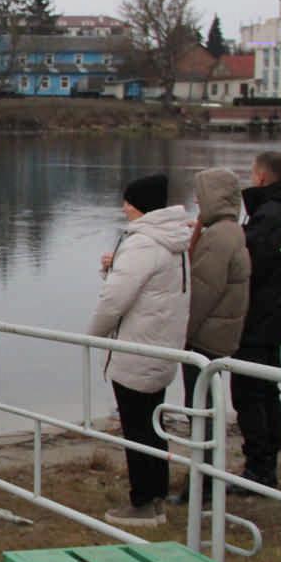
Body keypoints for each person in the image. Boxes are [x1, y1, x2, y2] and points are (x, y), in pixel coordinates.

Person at [88, 174, 195, 527]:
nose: (124, 207)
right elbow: (150, 290)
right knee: (152, 423)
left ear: (142, 206)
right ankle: (156, 495)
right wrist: (113, 269)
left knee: (138, 429)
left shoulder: (143, 244)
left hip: (138, 351)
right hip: (162, 349)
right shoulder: (173, 240)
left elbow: (114, 300)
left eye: (129, 202)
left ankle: (143, 504)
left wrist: (93, 335)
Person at [231, 150, 281, 491]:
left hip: (260, 314)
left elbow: (249, 263)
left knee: (251, 392)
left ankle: (259, 468)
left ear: (262, 177)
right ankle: (266, 463)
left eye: (252, 173)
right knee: (267, 389)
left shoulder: (272, 216)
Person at [170, 167, 251, 505]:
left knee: (199, 412)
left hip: (206, 340)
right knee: (204, 411)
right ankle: (203, 480)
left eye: (200, 195)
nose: (196, 201)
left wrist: (180, 334)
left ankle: (199, 485)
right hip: (223, 335)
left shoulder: (218, 238)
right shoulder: (230, 231)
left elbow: (201, 292)